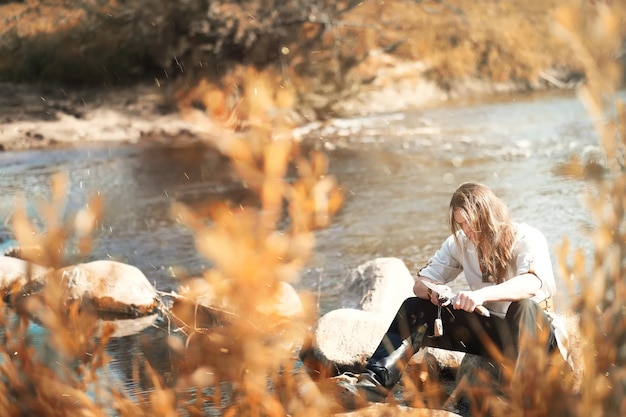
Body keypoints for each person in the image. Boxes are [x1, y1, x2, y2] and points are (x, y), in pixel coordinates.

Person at [338, 182, 562, 405]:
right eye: (460, 224)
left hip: (535, 335)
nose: (465, 230)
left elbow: (532, 283)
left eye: (468, 222)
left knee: (522, 307)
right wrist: (435, 292)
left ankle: (517, 400)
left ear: (487, 215)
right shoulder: (460, 244)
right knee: (414, 308)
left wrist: (481, 296)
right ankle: (373, 385)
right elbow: (420, 283)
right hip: (491, 331)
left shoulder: (526, 237)